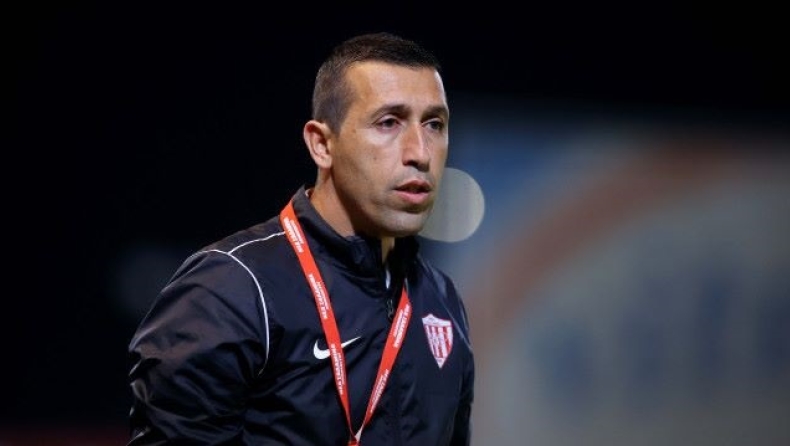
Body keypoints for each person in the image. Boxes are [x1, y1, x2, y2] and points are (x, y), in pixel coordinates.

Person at [127, 32, 474, 445]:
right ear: (322, 145)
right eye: (389, 122)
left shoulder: (441, 301)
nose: (420, 152)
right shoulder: (230, 289)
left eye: (434, 124)